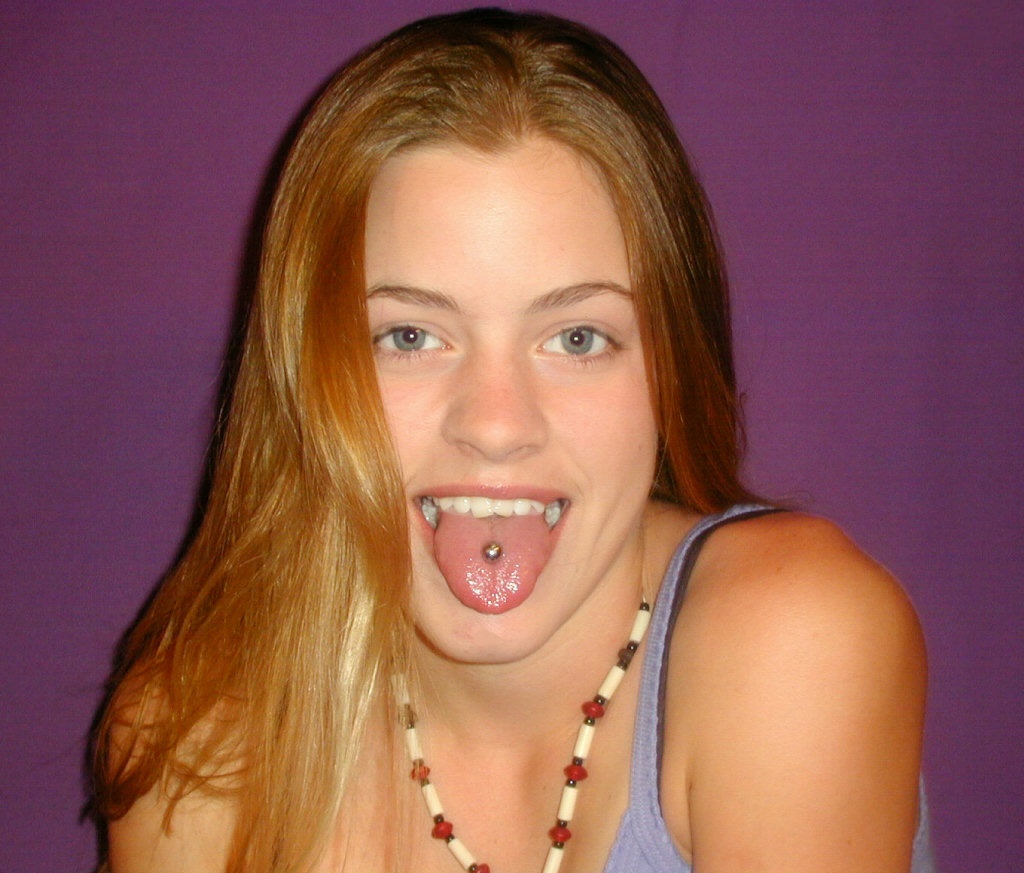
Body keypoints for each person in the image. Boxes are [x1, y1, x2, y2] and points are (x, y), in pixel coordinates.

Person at [91, 9, 934, 873]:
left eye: (576, 338)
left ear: (671, 373)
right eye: (410, 336)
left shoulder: (794, 641)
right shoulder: (196, 752)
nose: (495, 425)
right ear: (306, 374)